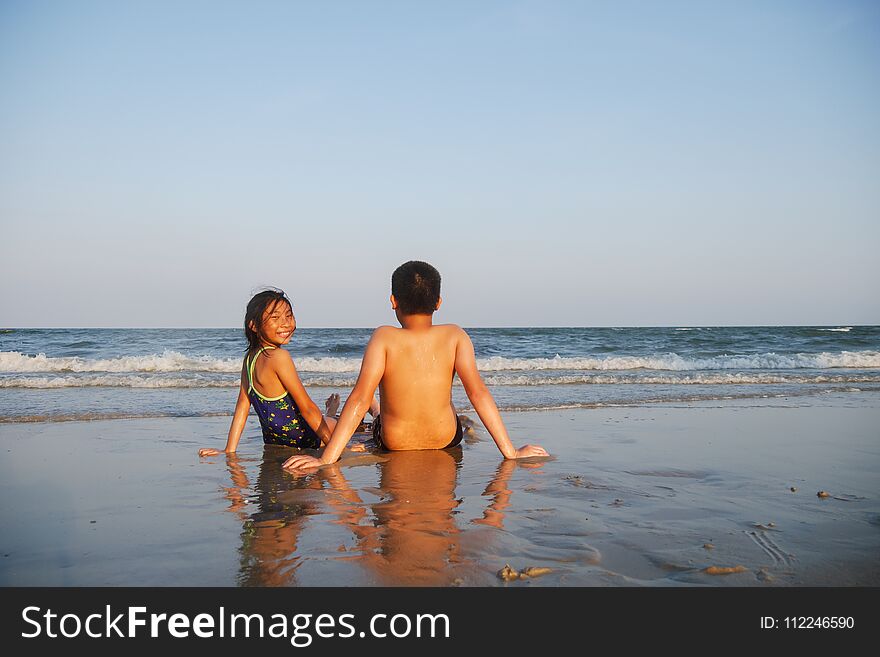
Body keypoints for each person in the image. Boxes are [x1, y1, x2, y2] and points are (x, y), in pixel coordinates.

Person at [282, 261, 548, 471]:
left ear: (393, 301)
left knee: (374, 407)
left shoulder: (383, 337)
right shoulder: (456, 335)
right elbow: (478, 393)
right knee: (452, 407)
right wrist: (510, 452)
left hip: (395, 443)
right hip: (446, 439)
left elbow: (359, 398)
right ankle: (382, 408)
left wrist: (327, 459)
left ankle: (379, 408)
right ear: (438, 302)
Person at [199, 289, 349, 456]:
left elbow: (243, 405)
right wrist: (335, 448)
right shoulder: (279, 356)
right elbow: (307, 407)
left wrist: (229, 450)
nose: (285, 323)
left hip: (274, 441)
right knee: (339, 423)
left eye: (289, 316)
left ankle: (330, 411)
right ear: (254, 326)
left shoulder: (249, 359)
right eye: (275, 318)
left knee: (330, 420)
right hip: (310, 439)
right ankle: (332, 412)